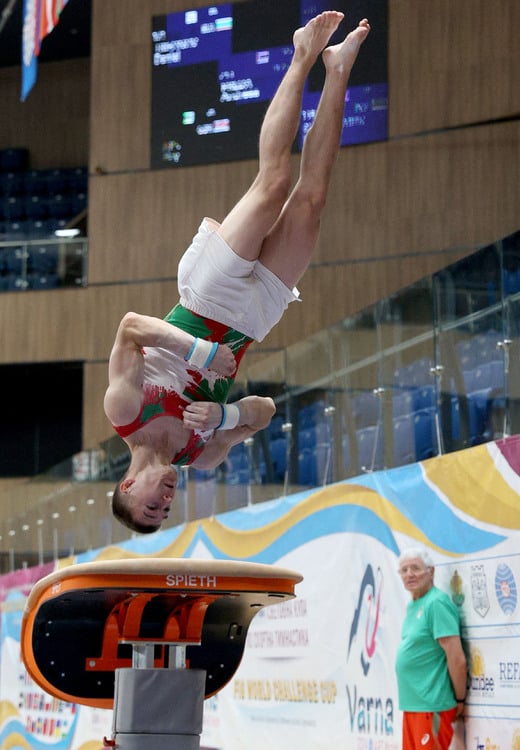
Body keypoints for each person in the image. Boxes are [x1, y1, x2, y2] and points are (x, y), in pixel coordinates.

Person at [104, 11, 371, 533]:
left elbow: (131, 326)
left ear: (127, 486)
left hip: (206, 297)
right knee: (312, 199)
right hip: (254, 318)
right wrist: (226, 418)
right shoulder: (203, 456)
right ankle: (337, 69)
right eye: (167, 512)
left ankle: (302, 55)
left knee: (273, 183)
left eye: (152, 506)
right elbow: (266, 410)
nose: (166, 501)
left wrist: (198, 351)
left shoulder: (124, 409)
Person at [395, 547, 467, 750]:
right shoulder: (413, 606)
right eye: (404, 570)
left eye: (415, 568)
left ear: (431, 571)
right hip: (412, 706)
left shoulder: (436, 603)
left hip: (433, 706)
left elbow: (456, 658)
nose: (409, 574)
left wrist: (460, 699)